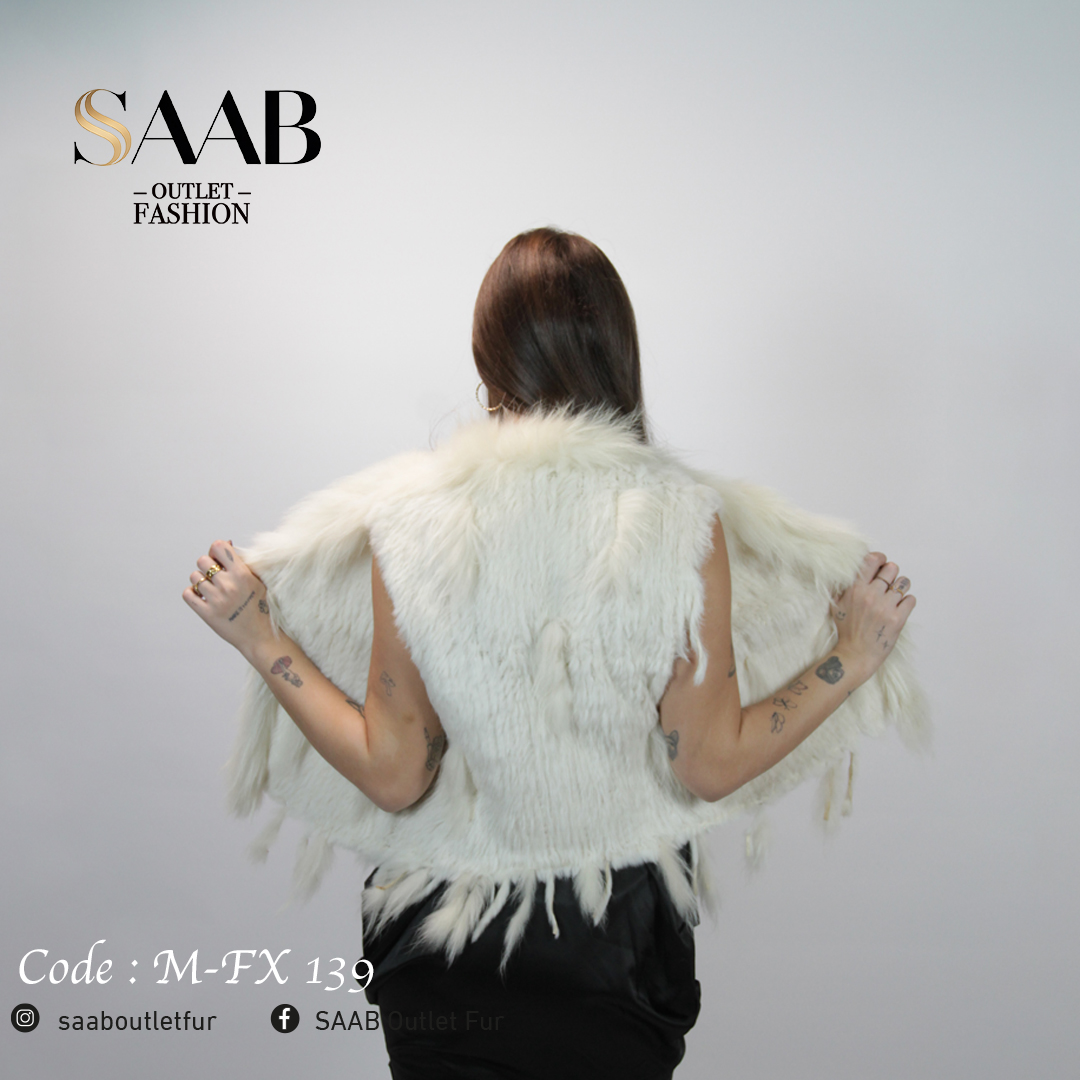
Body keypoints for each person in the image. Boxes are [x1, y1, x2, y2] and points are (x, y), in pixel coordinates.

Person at [183, 227, 917, 1079]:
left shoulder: (411, 520)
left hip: (445, 949)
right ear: (616, 349)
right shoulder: (680, 519)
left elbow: (396, 772)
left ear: (486, 355)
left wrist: (261, 637)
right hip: (614, 950)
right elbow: (709, 762)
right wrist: (849, 657)